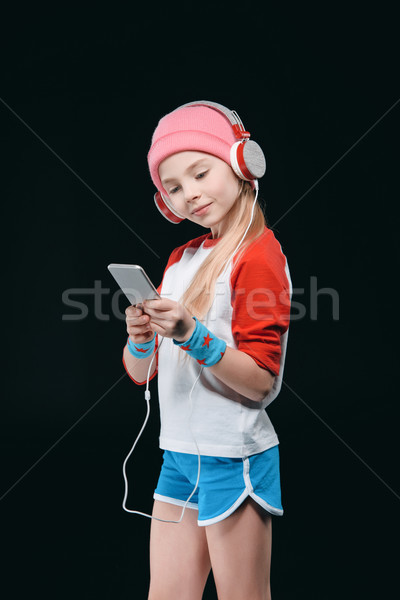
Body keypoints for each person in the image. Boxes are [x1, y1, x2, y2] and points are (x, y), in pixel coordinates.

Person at [122, 101, 292, 600]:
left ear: (241, 164)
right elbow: (140, 373)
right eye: (173, 187)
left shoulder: (260, 254)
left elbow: (262, 382)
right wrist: (140, 338)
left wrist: (192, 333)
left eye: (201, 172)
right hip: (178, 454)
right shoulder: (181, 258)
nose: (189, 194)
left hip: (231, 458)